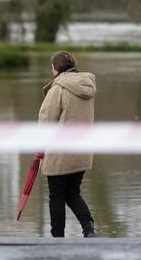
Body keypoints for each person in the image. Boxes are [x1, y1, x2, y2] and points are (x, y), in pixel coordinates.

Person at [38, 51, 97, 238]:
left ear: (55, 68)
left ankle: (57, 238)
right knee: (72, 193)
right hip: (82, 149)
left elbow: (46, 120)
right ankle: (89, 229)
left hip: (60, 152)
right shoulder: (87, 87)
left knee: (56, 196)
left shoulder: (58, 89)